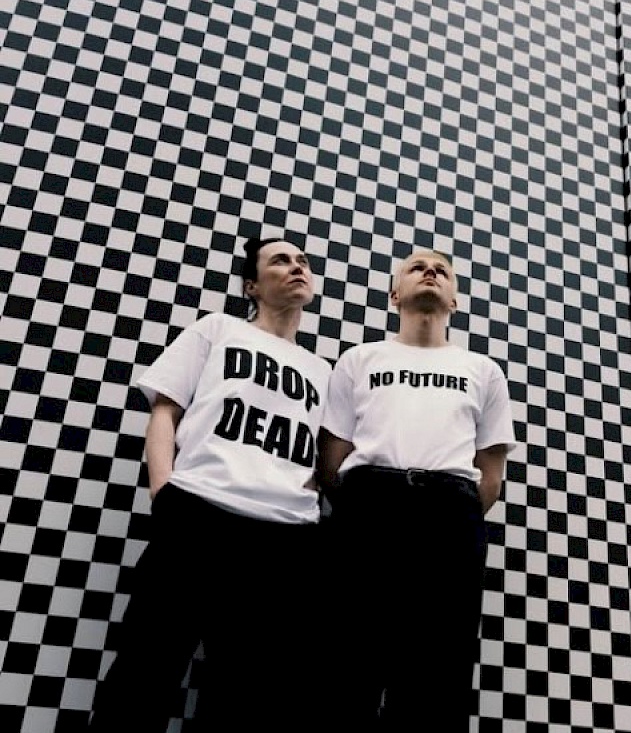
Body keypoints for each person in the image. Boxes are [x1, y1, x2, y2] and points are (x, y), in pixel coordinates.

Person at [88, 237, 331, 733]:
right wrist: (164, 490)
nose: (296, 267)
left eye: (303, 261)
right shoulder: (217, 330)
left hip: (286, 536)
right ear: (251, 285)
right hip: (198, 513)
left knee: (245, 693)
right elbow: (165, 410)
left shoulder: (324, 371)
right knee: (144, 670)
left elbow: (321, 453)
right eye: (280, 260)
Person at [317, 248, 517, 732]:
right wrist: (367, 501)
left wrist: (448, 507)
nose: (430, 272)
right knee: (348, 658)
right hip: (368, 507)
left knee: (438, 667)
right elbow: (332, 457)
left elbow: (491, 474)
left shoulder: (483, 370)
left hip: (449, 514)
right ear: (394, 295)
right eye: (416, 268)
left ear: (455, 300)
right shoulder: (359, 359)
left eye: (442, 271)